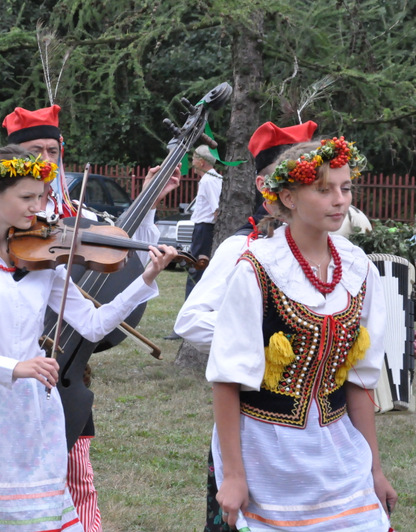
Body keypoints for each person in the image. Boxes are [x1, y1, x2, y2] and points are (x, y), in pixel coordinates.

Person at [0, 145, 177, 531]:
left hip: (32, 407)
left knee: (32, 517)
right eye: (27, 198)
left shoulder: (42, 257)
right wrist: (15, 367)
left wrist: (145, 279)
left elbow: (94, 325)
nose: (38, 207)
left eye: (42, 197)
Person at [0, 104, 179, 532]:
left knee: (77, 472)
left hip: (66, 361)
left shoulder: (74, 215)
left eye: (53, 151)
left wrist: (148, 201)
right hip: (6, 368)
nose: (47, 160)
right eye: (35, 152)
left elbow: (121, 248)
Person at [207, 138, 397, 530]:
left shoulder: (358, 268)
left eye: (346, 188)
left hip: (338, 452)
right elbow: (227, 379)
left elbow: (359, 381)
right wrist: (234, 475)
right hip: (266, 451)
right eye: (324, 190)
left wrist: (375, 470)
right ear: (289, 197)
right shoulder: (258, 268)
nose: (340, 200)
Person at [173, 120, 318, 531]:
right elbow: (191, 321)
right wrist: (264, 343)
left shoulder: (333, 252)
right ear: (265, 186)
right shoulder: (244, 246)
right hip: (256, 417)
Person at [185, 144, 223, 298]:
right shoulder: (212, 179)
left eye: (194, 159)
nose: (192, 162)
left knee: (196, 268)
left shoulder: (209, 181)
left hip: (204, 229)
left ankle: (191, 301)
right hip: (204, 229)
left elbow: (216, 208)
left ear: (201, 162)